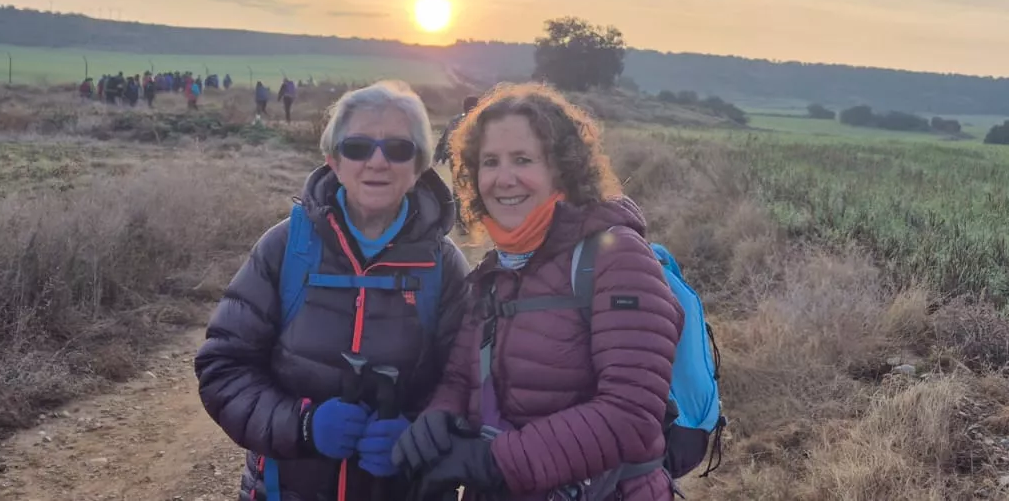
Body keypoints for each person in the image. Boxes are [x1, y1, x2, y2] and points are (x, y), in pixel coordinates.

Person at [392, 83, 683, 501]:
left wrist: (492, 461)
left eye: (523, 160)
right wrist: (439, 419)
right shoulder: (496, 271)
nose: (503, 178)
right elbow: (461, 378)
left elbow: (632, 415)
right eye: (490, 162)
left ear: (561, 168)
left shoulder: (615, 258)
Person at [196, 80, 472, 501]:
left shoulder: (444, 266)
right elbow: (224, 368)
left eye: (398, 148)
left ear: (419, 167)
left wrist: (419, 435)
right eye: (358, 147)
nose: (377, 162)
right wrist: (303, 426)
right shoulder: (286, 247)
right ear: (333, 160)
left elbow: (469, 388)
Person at [433, 95, 480, 166]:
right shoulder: (479, 122)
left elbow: (443, 140)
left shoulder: (454, 120)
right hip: (468, 159)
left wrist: (436, 158)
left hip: (455, 158)